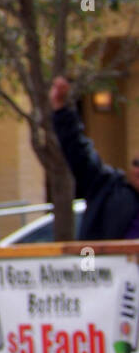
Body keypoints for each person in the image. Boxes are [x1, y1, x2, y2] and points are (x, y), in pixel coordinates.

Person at [49, 75, 139, 240]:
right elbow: (79, 152)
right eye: (136, 163)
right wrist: (61, 109)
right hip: (104, 265)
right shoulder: (107, 189)